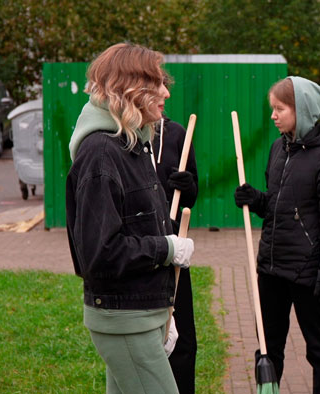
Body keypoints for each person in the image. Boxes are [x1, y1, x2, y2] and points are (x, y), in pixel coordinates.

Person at [65, 42, 195, 394]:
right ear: (130, 88)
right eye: (157, 83)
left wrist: (161, 314)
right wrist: (166, 248)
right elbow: (99, 253)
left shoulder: (134, 144)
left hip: (143, 313)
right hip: (124, 319)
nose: (166, 92)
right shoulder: (101, 154)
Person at [233, 76, 320, 394]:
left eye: (280, 108)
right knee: (267, 348)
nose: (273, 115)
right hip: (271, 268)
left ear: (303, 110)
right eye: (273, 108)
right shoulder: (278, 148)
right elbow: (278, 205)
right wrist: (255, 200)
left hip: (308, 273)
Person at [152, 112, 200, 394]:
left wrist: (187, 185)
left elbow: (192, 195)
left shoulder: (177, 134)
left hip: (174, 250)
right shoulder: (119, 134)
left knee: (183, 341)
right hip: (140, 255)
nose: (164, 94)